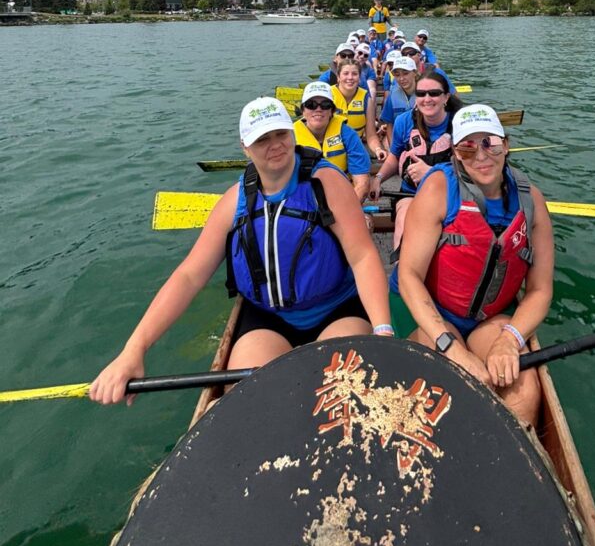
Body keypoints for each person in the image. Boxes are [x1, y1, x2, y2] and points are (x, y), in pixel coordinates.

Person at [89, 98, 393, 405]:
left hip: (335, 311)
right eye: (262, 139)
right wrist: (134, 349)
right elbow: (189, 276)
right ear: (245, 147)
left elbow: (363, 256)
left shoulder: (326, 183)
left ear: (292, 133)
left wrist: (382, 331)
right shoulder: (233, 202)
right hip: (269, 318)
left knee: (340, 397)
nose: (275, 145)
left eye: (280, 134)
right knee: (251, 405)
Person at [394, 104, 554, 426]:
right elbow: (408, 275)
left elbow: (540, 290)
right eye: (468, 146)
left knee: (524, 394)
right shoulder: (439, 189)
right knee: (432, 394)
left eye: (489, 143)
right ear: (455, 152)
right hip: (435, 314)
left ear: (505, 145)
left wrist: (509, 340)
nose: (480, 156)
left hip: (491, 320)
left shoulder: (531, 200)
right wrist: (451, 348)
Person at [370, 69, 461, 244]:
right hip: (411, 193)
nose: (427, 99)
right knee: (404, 224)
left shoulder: (459, 124)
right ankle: (401, 266)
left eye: (434, 93)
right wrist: (378, 178)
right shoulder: (404, 121)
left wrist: (433, 173)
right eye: (421, 94)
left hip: (451, 194)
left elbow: (472, 171)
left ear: (446, 97)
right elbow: (395, 156)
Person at [294, 82, 372, 203]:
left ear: (332, 111)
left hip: (344, 200)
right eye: (311, 104)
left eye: (325, 105)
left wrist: (346, 211)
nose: (318, 109)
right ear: (303, 110)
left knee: (367, 222)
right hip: (304, 204)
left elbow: (362, 182)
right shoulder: (290, 138)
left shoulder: (347, 134)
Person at [332, 60, 386, 161]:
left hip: (354, 150)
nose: (350, 77)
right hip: (332, 150)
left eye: (355, 74)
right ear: (338, 77)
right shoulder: (328, 96)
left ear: (359, 77)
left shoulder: (366, 99)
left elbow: (371, 136)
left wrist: (378, 149)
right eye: (345, 73)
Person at [379, 56, 418, 145]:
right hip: (400, 140)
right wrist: (394, 151)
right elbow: (390, 124)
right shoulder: (392, 95)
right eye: (397, 75)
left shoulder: (425, 92)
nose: (401, 78)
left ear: (415, 73)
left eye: (405, 73)